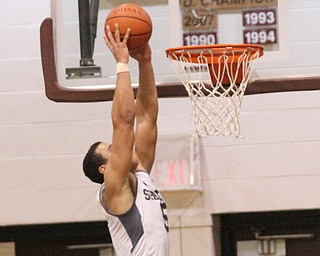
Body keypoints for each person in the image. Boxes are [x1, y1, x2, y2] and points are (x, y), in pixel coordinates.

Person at [82, 23, 170, 256]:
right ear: (104, 168)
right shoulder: (114, 187)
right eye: (111, 148)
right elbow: (124, 121)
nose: (120, 147)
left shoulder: (139, 174)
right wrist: (122, 63)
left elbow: (147, 117)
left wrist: (146, 62)